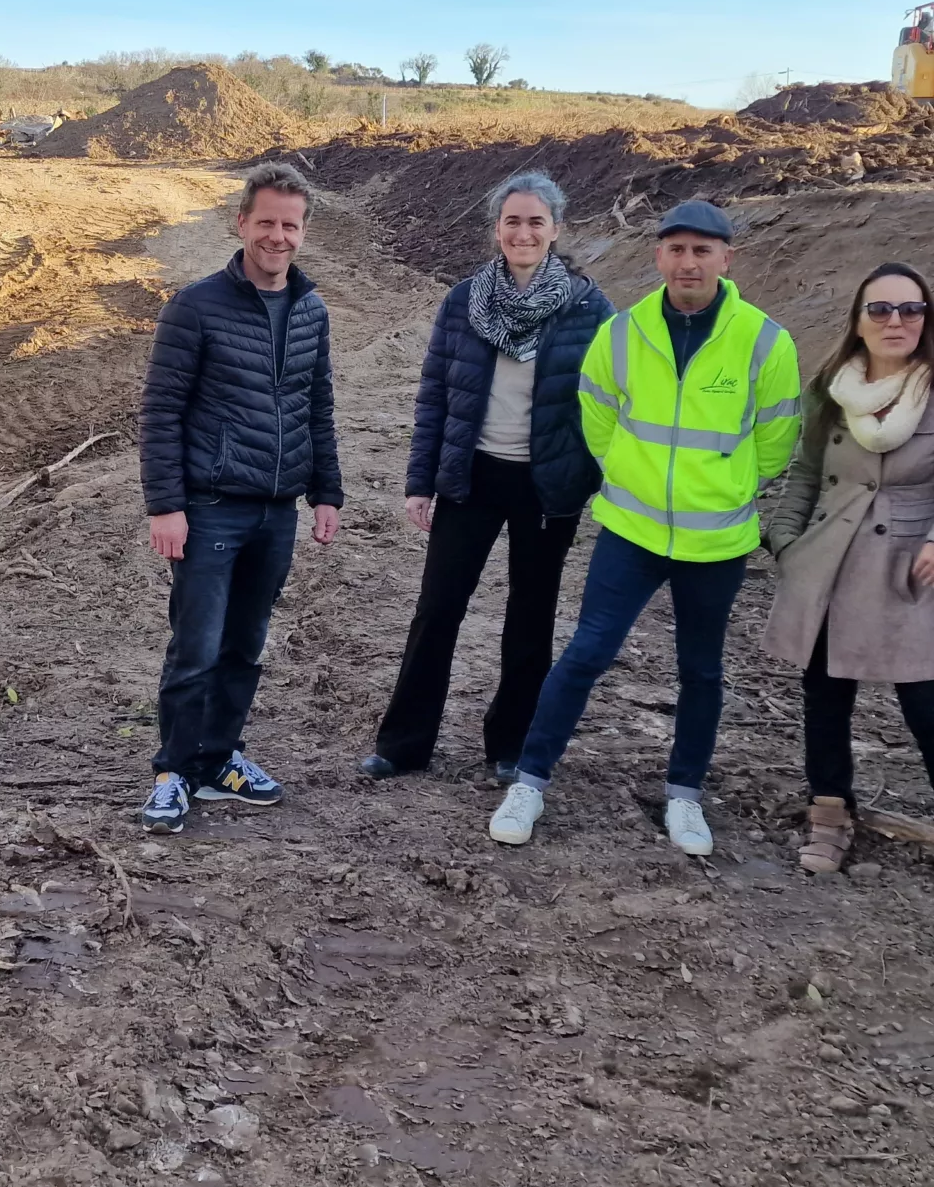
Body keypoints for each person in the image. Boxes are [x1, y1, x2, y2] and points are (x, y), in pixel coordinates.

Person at [488, 199, 800, 852]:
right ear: (658, 255)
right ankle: (531, 780)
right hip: (630, 534)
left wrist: (726, 487)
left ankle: (685, 796)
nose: (688, 262)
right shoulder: (624, 333)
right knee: (585, 654)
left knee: (701, 670)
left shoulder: (765, 341)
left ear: (726, 258)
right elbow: (597, 417)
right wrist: (629, 475)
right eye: (677, 249)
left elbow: (776, 443)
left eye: (702, 250)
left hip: (715, 543)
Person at [361, 171, 612, 783]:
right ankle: (403, 744)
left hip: (546, 487)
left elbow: (611, 404)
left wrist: (595, 481)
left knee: (531, 616)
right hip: (471, 478)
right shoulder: (463, 300)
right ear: (496, 229)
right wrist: (421, 481)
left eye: (535, 221)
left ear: (555, 229)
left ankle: (512, 745)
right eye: (512, 221)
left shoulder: (589, 308)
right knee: (438, 608)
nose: (523, 232)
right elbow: (434, 398)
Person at [762, 263, 934, 904]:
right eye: (881, 310)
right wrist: (786, 544)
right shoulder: (830, 392)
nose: (896, 321)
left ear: (928, 319)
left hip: (908, 571)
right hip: (830, 567)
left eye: (910, 309)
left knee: (933, 714)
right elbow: (805, 478)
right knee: (825, 698)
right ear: (859, 321)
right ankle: (829, 814)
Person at [136, 162, 344, 834]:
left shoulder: (311, 310)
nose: (277, 236)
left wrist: (327, 492)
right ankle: (173, 770)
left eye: (290, 224)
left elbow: (318, 406)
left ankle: (220, 759)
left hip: (275, 511)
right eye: (266, 222)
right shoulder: (196, 306)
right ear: (241, 224)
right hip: (208, 507)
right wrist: (165, 505)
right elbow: (162, 411)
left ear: (303, 231)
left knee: (246, 645)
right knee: (195, 645)